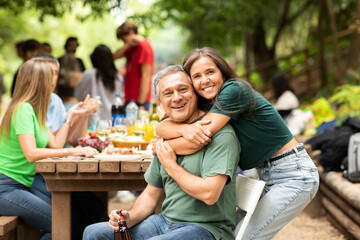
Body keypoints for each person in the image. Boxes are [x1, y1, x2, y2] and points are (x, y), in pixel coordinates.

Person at [155, 47, 320, 240]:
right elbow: (163, 125)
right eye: (197, 76)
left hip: (294, 174)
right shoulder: (209, 102)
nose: (205, 80)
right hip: (266, 173)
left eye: (210, 72)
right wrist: (183, 130)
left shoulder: (234, 90)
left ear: (222, 72)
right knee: (235, 235)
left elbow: (196, 142)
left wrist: (161, 148)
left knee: (244, 237)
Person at [83, 65, 240, 240]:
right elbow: (151, 194)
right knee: (93, 233)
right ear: (160, 102)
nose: (177, 98)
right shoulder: (167, 136)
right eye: (168, 93)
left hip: (207, 228)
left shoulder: (219, 134)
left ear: (195, 93)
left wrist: (170, 165)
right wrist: (130, 217)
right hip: (164, 222)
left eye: (183, 90)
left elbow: (209, 195)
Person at [0, 58, 98, 240]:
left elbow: (55, 143)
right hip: (5, 187)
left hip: (21, 184)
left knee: (70, 219)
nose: (54, 80)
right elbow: (31, 154)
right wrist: (73, 151)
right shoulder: (22, 109)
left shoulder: (35, 109)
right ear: (38, 80)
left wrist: (71, 116)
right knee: (59, 223)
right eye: (50, 76)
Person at [29, 53, 105, 240]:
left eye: (54, 72)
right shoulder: (31, 104)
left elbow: (73, 139)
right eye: (46, 73)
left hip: (57, 172)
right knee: (67, 219)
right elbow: (53, 144)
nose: (51, 78)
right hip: (33, 175)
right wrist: (72, 117)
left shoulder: (54, 100)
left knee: (95, 209)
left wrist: (84, 114)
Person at [75, 44, 124, 128]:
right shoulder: (117, 76)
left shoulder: (89, 74)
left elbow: (78, 95)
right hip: (112, 121)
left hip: (93, 122)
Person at [113, 21, 154, 111]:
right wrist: (127, 44)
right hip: (129, 99)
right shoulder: (131, 47)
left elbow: (146, 77)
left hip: (139, 101)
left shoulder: (145, 47)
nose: (124, 43)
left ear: (131, 33)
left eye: (124, 40)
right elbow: (113, 57)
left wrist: (140, 104)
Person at [57, 37, 85, 110]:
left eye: (75, 46)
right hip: (61, 98)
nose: (73, 48)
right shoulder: (58, 61)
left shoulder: (79, 61)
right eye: (71, 45)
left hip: (75, 99)